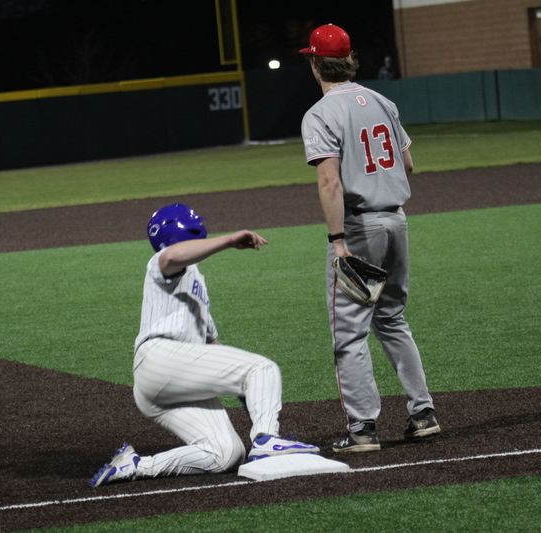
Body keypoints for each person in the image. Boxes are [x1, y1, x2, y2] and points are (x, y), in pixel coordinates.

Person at [90, 203, 319, 486]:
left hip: (167, 381)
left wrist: (249, 395)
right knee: (262, 368)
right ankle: (268, 441)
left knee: (226, 453)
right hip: (160, 357)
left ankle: (136, 465)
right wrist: (229, 240)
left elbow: (214, 348)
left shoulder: (196, 280)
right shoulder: (163, 261)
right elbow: (172, 255)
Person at [299, 24, 440, 453]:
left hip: (359, 230)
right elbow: (409, 165)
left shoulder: (321, 112)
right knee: (392, 319)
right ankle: (423, 414)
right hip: (396, 222)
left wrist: (338, 241)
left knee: (350, 334)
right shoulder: (382, 101)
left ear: (315, 62)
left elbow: (329, 183)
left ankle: (362, 430)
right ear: (349, 59)